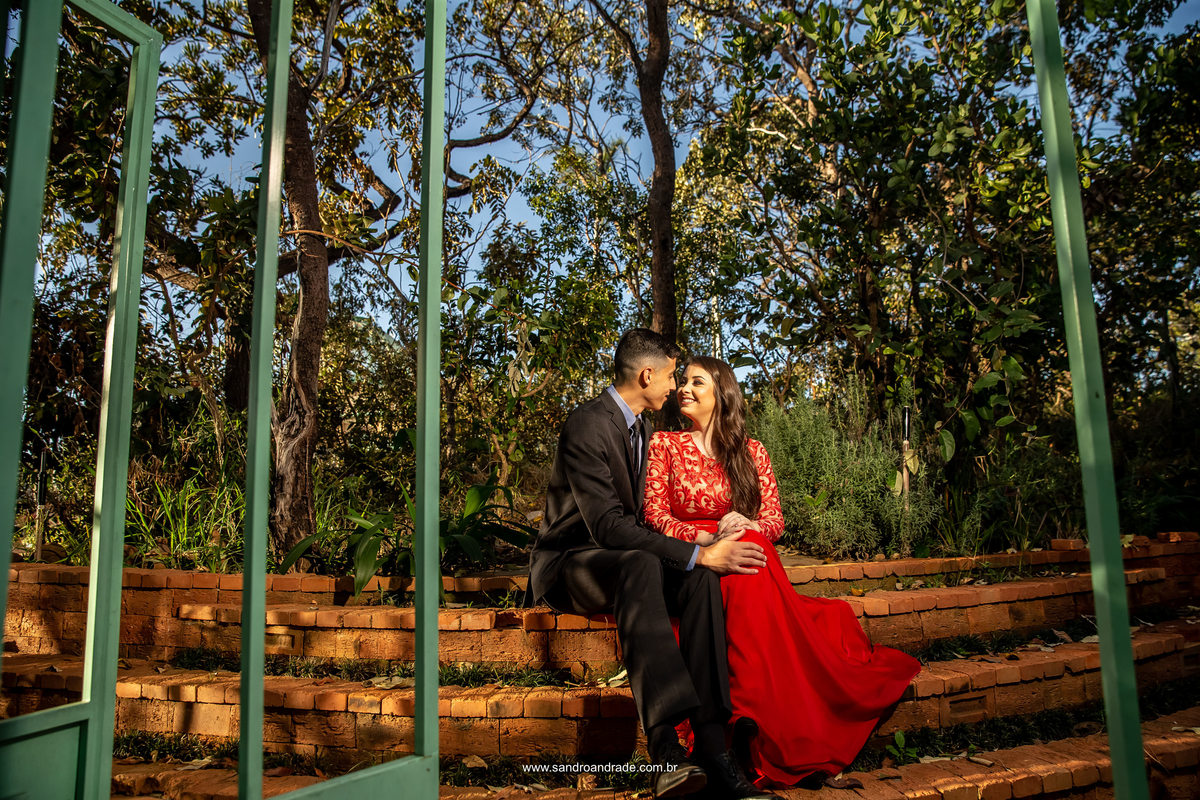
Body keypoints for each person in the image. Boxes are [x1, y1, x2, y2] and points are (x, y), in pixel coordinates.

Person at [643, 356, 921, 789]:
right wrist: (711, 536)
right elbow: (654, 516)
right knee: (738, 557)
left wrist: (748, 525)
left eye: (697, 381)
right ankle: (743, 719)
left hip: (745, 551)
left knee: (752, 549)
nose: (684, 388)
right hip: (693, 553)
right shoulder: (663, 445)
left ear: (722, 393)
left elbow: (774, 520)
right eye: (682, 381)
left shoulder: (752, 452)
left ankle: (757, 717)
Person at [529, 330, 778, 800]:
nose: (673, 386)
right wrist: (699, 550)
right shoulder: (587, 423)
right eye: (669, 375)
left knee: (700, 580)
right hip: (573, 562)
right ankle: (664, 749)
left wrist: (702, 553)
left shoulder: (643, 429)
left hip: (629, 557)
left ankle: (711, 747)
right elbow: (606, 526)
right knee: (653, 564)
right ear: (646, 375)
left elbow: (644, 518)